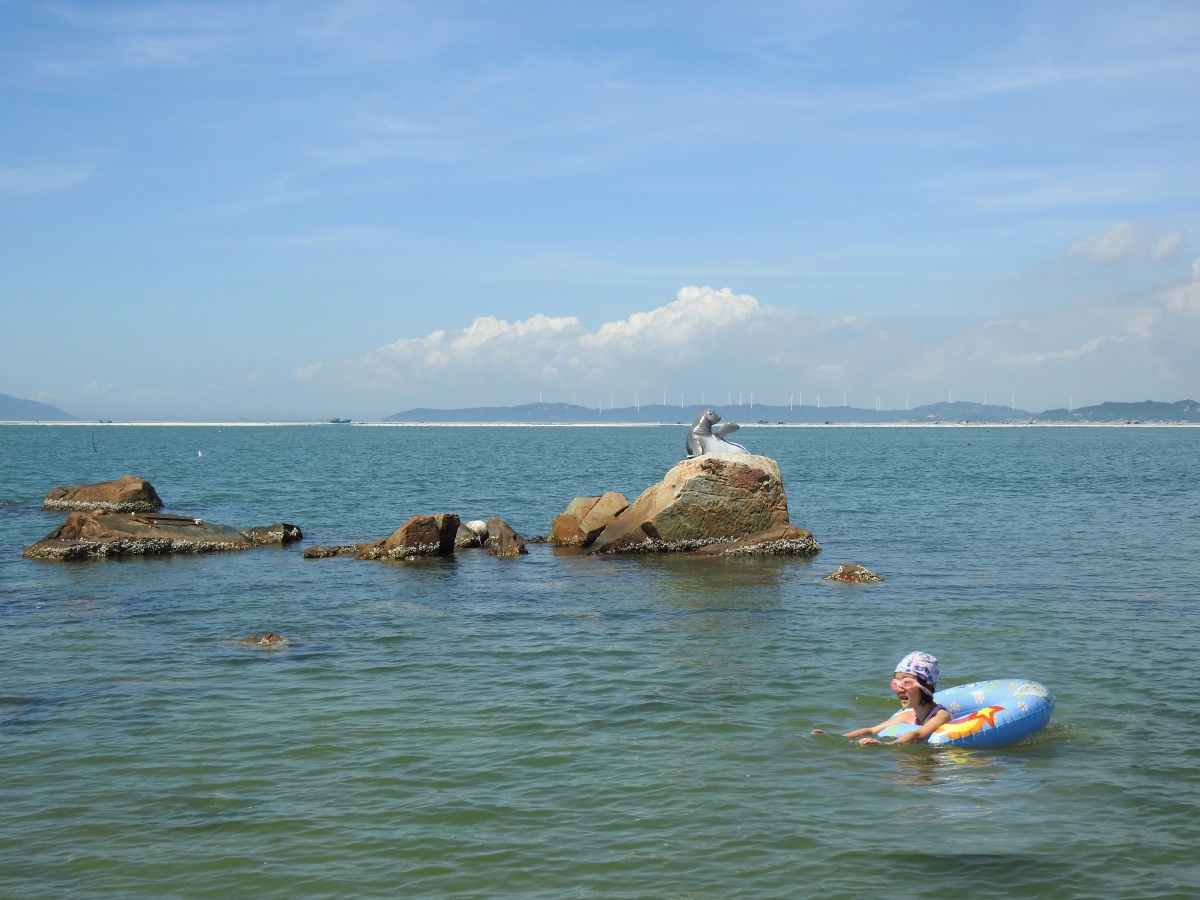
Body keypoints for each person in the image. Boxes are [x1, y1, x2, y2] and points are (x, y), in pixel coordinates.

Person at [816, 651, 951, 746]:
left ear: (926, 686)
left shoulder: (941, 716)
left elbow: (918, 735)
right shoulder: (908, 716)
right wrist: (833, 737)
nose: (899, 688)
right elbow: (872, 730)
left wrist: (886, 745)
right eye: (896, 683)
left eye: (907, 682)